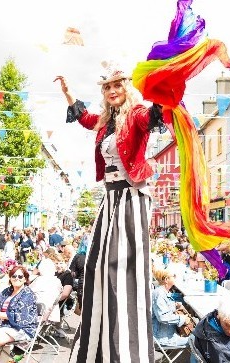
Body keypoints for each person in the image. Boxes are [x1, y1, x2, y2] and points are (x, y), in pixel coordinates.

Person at [55, 64, 166, 362]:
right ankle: (98, 342)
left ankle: (128, 348)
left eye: (117, 85)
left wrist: (163, 89)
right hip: (110, 197)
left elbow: (156, 115)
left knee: (123, 267)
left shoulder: (138, 114)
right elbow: (84, 117)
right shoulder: (106, 121)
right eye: (107, 87)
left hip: (131, 197)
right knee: (96, 267)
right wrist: (68, 93)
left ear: (127, 88)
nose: (112, 91)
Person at [0, 265, 38, 347]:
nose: (17, 278)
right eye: (14, 276)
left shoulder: (27, 294)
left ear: (25, 279)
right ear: (10, 278)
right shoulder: (8, 290)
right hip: (4, 324)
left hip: (21, 329)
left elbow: (18, 316)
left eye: (20, 276)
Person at [151, 269, 190, 346]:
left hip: (168, 334)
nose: (175, 278)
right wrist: (182, 319)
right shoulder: (159, 294)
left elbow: (164, 307)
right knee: (197, 341)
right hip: (163, 339)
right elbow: (163, 317)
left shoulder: (162, 291)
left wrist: (174, 305)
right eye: (174, 276)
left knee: (196, 338)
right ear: (166, 279)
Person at [30, 258, 63, 323]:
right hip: (51, 313)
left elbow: (28, 292)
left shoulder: (38, 280)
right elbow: (60, 292)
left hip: (38, 313)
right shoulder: (57, 281)